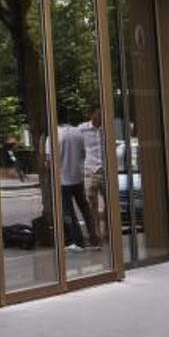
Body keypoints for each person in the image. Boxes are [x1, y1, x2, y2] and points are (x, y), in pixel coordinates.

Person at [57, 107, 99, 251]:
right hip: (78, 177)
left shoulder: (54, 135)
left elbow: (50, 162)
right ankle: (94, 239)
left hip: (62, 180)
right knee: (85, 209)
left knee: (69, 212)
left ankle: (78, 241)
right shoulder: (78, 132)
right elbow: (83, 154)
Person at [78, 106, 107, 245]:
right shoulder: (82, 129)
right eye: (98, 114)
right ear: (91, 115)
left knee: (110, 203)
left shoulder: (106, 129)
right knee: (92, 204)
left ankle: (108, 230)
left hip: (105, 170)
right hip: (90, 170)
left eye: (102, 114)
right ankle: (96, 233)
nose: (101, 116)